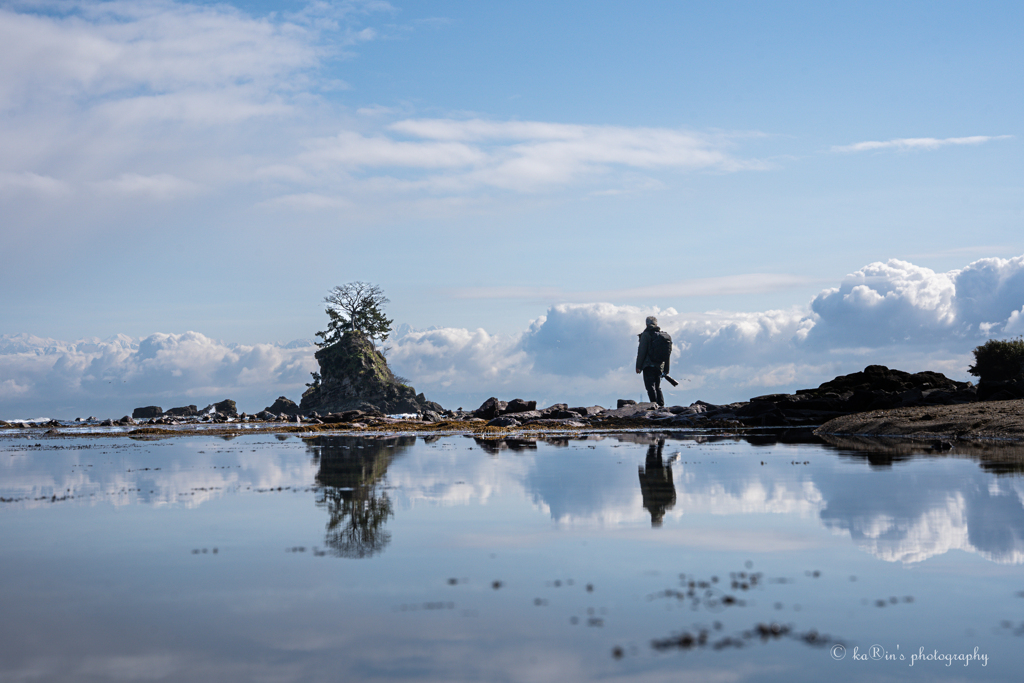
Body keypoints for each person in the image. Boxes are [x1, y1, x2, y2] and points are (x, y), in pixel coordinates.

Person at [635, 315, 670, 407]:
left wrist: (638, 366)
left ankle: (654, 404)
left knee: (650, 386)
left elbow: (642, 351)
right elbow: (667, 355)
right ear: (656, 323)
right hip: (659, 366)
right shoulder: (663, 336)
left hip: (648, 365)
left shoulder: (646, 335)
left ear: (646, 324)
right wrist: (666, 369)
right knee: (657, 386)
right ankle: (661, 405)